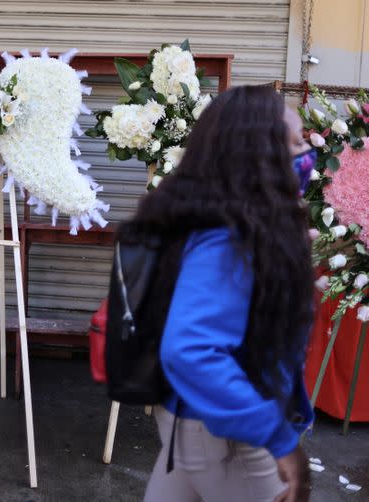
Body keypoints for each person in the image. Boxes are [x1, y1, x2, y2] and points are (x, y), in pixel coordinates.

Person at [130, 86, 316, 502]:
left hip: (191, 424)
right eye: (298, 143)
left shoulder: (213, 219)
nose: (308, 155)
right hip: (228, 439)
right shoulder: (228, 238)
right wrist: (279, 439)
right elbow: (190, 349)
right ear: (258, 158)